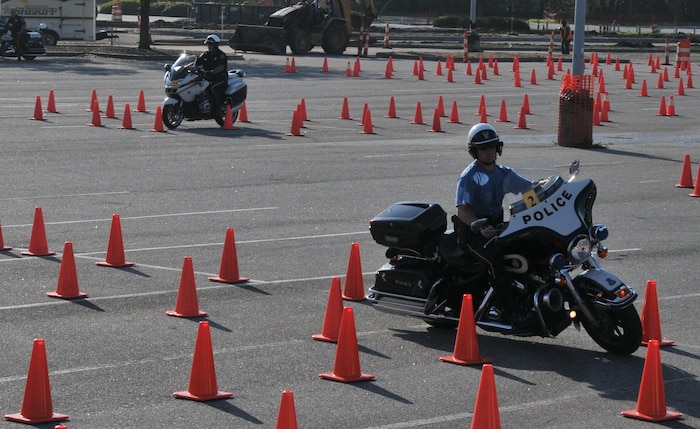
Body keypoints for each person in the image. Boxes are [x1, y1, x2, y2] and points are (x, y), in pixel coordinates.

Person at [455, 123, 533, 326]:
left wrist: (553, 187)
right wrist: (479, 226)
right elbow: (462, 209)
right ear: (475, 151)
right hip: (474, 233)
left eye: (492, 146)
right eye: (483, 148)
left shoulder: (503, 173)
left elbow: (530, 190)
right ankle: (512, 311)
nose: (489, 151)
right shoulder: (469, 176)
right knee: (496, 261)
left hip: (497, 227)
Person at [195, 34, 228, 115]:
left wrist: (212, 72)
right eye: (208, 44)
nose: (209, 46)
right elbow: (196, 63)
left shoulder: (221, 55)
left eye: (211, 44)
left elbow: (221, 67)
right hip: (206, 76)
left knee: (211, 87)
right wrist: (186, 67)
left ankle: (217, 107)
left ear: (215, 45)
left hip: (219, 78)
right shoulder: (205, 54)